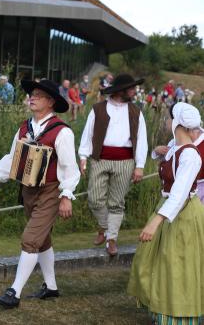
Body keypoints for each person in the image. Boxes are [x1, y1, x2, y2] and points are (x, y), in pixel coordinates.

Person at [0, 79, 80, 309]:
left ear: (50, 102)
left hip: (51, 190)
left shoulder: (62, 132)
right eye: (32, 94)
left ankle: (14, 292)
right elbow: (13, 156)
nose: (32, 97)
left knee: (30, 239)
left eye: (38, 95)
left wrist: (66, 195)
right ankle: (51, 287)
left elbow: (70, 167)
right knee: (42, 238)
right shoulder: (23, 128)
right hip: (28, 190)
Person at [128, 102, 204, 325]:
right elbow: (167, 160)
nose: (167, 122)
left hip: (184, 215)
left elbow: (180, 194)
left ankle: (181, 313)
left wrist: (156, 222)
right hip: (169, 208)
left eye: (170, 119)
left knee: (179, 263)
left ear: (178, 124)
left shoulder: (191, 156)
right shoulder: (176, 148)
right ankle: (162, 306)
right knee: (159, 261)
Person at [78, 74, 148, 256]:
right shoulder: (98, 109)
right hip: (99, 159)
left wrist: (140, 165)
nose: (134, 91)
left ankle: (111, 239)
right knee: (94, 199)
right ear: (121, 91)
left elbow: (141, 140)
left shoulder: (136, 112)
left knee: (117, 203)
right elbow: (88, 133)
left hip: (125, 162)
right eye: (131, 88)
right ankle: (105, 228)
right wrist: (83, 156)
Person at [152, 103, 204, 203]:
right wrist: (157, 151)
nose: (165, 122)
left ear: (176, 122)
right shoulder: (175, 143)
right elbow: (168, 165)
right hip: (177, 199)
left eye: (167, 118)